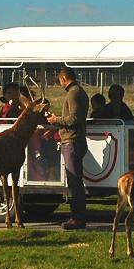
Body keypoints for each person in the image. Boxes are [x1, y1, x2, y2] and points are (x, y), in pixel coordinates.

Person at [45, 67, 89, 229]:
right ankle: (78, 216)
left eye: (59, 81)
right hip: (75, 140)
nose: (60, 84)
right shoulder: (79, 91)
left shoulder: (73, 93)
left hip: (72, 141)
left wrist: (56, 120)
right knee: (75, 180)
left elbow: (74, 118)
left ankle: (78, 218)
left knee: (74, 182)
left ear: (63, 78)